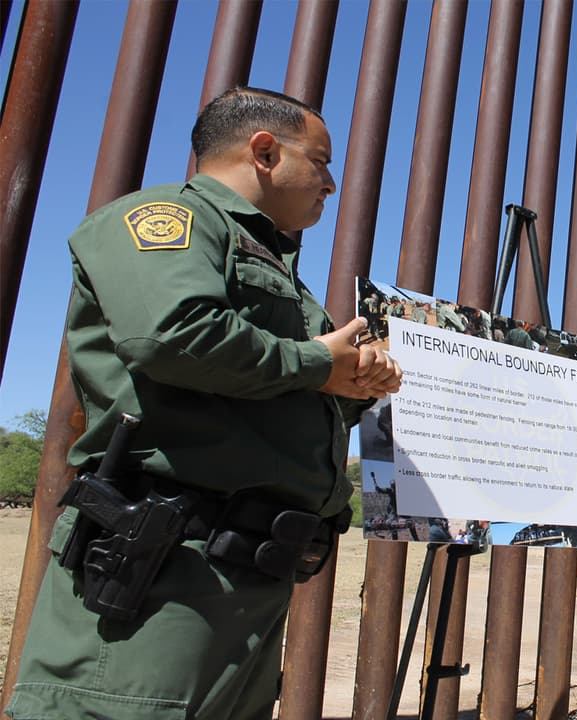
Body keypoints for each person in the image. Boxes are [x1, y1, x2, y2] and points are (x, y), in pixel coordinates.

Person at [6, 87, 402, 720]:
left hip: (241, 578)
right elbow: (172, 334)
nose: (330, 182)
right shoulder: (166, 217)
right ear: (265, 151)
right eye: (322, 161)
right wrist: (320, 364)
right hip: (164, 576)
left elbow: (264, 394)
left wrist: (353, 387)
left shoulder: (272, 263)